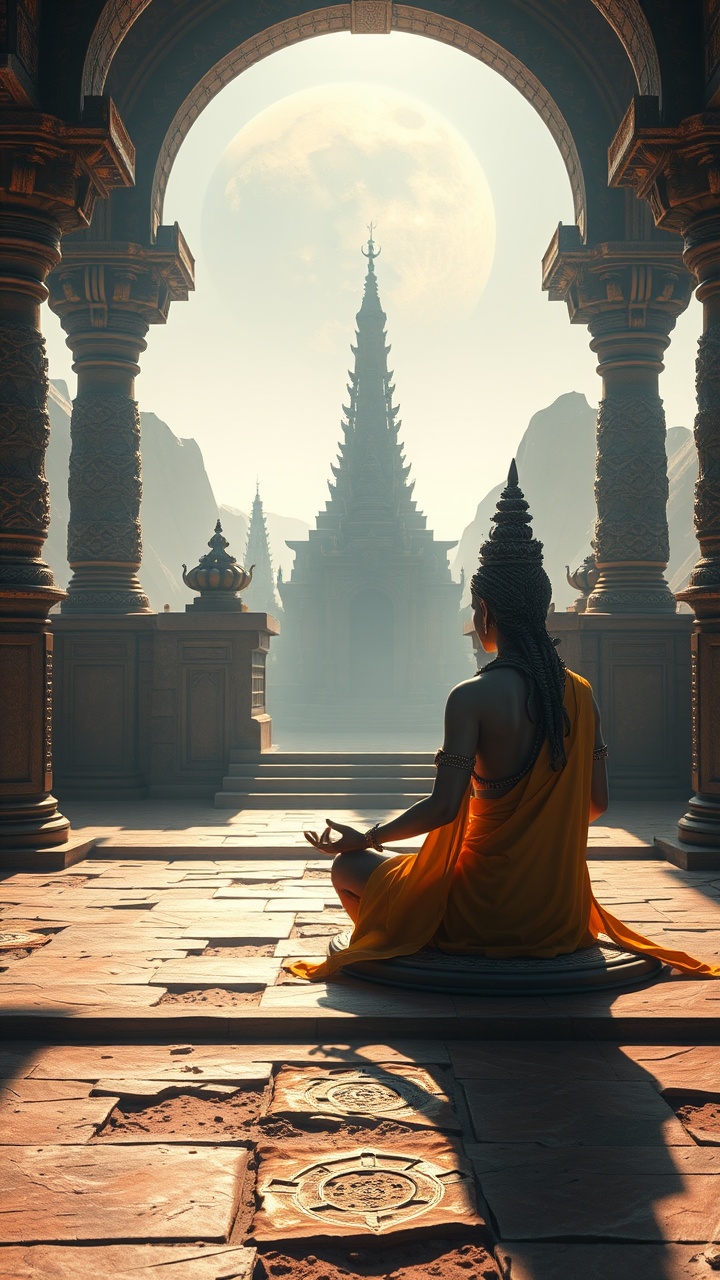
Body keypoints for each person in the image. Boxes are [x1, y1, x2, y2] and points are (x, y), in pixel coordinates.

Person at [288, 463, 720, 982]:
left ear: (486, 611)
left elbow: (445, 808)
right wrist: (538, 841)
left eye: (475, 608)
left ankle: (410, 943)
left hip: (484, 909)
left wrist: (366, 839)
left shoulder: (471, 696)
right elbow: (597, 805)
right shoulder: (580, 693)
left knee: (348, 870)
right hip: (556, 912)